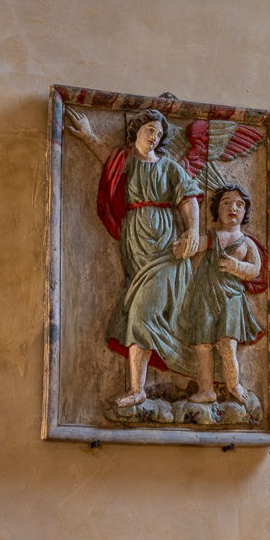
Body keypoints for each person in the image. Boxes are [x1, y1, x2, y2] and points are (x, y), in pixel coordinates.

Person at [66, 108, 203, 408]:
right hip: (136, 246)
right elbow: (107, 158)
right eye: (150, 130)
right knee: (135, 311)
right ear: (137, 130)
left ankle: (138, 389)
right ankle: (145, 387)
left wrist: (193, 230)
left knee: (142, 312)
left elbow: (189, 197)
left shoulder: (169, 167)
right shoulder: (125, 160)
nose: (154, 137)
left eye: (159, 134)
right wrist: (88, 135)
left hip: (168, 249)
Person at [173, 184, 264, 405]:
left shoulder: (247, 243)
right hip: (205, 296)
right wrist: (183, 245)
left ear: (245, 211)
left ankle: (234, 385)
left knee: (227, 345)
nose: (233, 208)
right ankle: (207, 390)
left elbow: (255, 269)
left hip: (231, 299)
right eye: (226, 203)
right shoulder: (213, 237)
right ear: (216, 209)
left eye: (239, 205)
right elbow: (194, 246)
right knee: (203, 345)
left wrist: (236, 266)